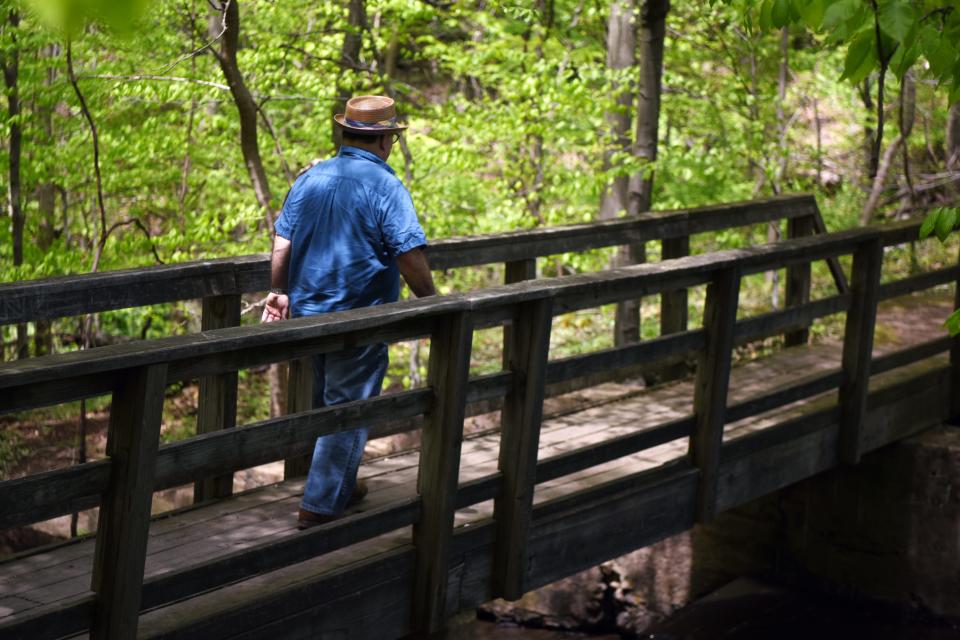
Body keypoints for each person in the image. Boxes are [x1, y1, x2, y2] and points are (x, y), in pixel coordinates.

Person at [261, 95, 437, 529]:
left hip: (308, 312)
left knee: (328, 404)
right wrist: (432, 300)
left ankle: (345, 482)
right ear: (383, 141)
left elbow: (282, 242)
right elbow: (409, 253)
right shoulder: (385, 187)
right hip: (359, 319)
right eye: (392, 138)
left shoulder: (311, 178)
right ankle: (317, 507)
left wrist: (278, 292)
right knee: (348, 409)